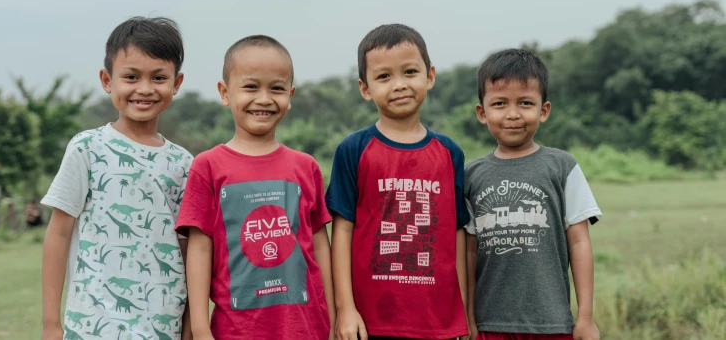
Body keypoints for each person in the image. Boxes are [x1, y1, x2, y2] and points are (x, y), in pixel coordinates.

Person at [40, 17, 193, 340]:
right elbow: (59, 233)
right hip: (93, 326)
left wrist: (190, 325)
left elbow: (187, 250)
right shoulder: (87, 147)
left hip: (163, 326)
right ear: (107, 80)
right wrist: (51, 324)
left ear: (176, 84)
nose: (145, 89)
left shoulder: (185, 163)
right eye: (131, 77)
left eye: (159, 77)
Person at [176, 35, 335, 340]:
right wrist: (199, 326)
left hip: (305, 328)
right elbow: (199, 246)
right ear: (224, 93)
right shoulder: (208, 166)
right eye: (250, 87)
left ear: (290, 95)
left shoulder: (306, 167)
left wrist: (334, 313)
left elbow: (318, 244)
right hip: (235, 330)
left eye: (276, 88)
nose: (264, 98)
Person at [326, 24, 470, 340]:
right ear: (365, 88)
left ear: (429, 76)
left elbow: (456, 233)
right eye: (384, 77)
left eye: (409, 72)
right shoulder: (354, 150)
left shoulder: (449, 153)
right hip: (371, 321)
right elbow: (343, 230)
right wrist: (345, 309)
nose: (399, 85)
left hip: (436, 322)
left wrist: (461, 314)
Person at [464, 49, 602, 340]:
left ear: (544, 110)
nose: (513, 114)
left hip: (552, 323)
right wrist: (468, 318)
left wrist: (586, 318)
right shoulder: (470, 176)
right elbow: (467, 252)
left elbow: (579, 243)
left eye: (525, 103)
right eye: (499, 103)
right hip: (490, 323)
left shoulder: (562, 166)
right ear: (482, 112)